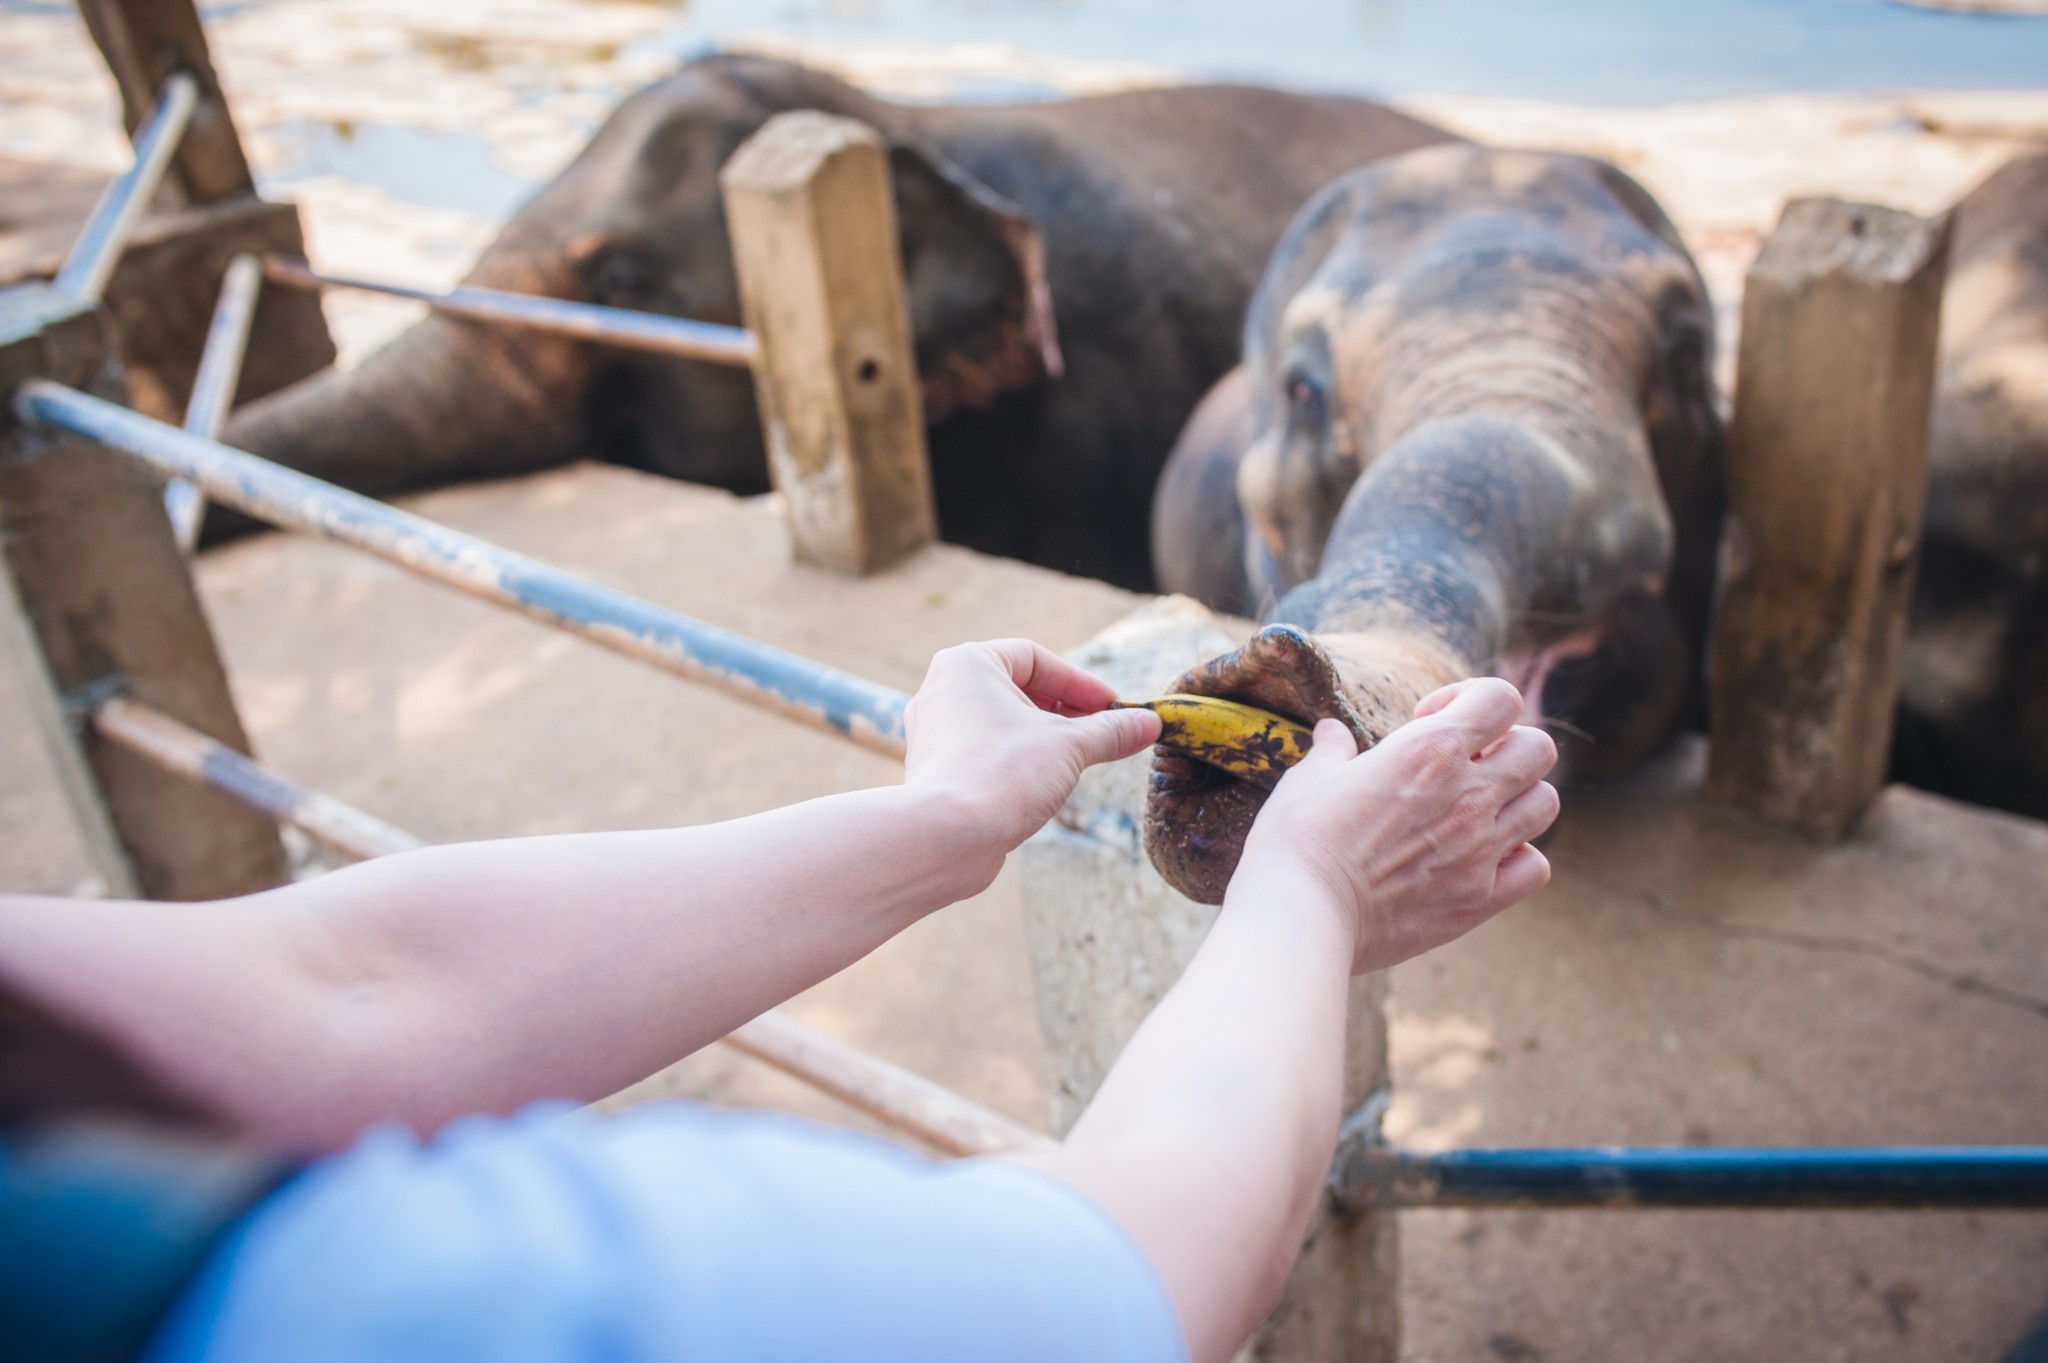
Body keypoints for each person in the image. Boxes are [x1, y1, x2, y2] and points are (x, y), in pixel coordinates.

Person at [0, 640, 1558, 1363]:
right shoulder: (399, 1317)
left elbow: (347, 995)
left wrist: (939, 823)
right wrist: (1311, 893)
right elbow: (1119, 1286)